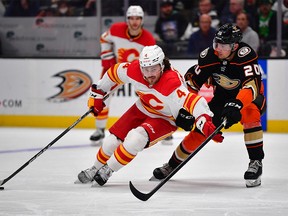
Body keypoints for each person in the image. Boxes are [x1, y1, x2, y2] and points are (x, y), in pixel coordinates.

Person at [76, 45, 224, 186]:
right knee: (111, 142)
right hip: (142, 108)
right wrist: (98, 92)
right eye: (145, 69)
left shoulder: (171, 82)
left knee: (136, 138)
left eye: (153, 69)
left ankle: (108, 170)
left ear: (162, 65)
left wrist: (204, 120)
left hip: (165, 119)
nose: (149, 75)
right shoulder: (135, 70)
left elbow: (194, 101)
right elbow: (114, 73)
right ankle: (94, 168)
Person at [152, 23, 266, 188]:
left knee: (250, 113)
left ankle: (256, 162)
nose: (217, 48)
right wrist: (187, 108)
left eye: (223, 45)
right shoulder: (209, 56)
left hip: (250, 97)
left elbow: (252, 87)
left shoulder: (246, 55)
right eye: (216, 43)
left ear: (234, 46)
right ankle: (172, 164)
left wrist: (237, 103)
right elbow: (192, 83)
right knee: (203, 128)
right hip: (222, 97)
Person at [90, 5, 156, 145]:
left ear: (142, 20)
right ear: (127, 19)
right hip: (116, 70)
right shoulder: (116, 29)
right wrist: (108, 57)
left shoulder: (148, 39)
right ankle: (100, 130)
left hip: (138, 72)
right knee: (103, 95)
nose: (134, 22)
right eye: (131, 18)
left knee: (152, 96)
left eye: (138, 18)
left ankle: (157, 126)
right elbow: (104, 39)